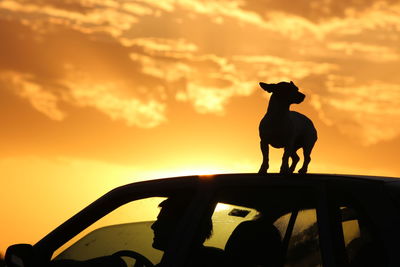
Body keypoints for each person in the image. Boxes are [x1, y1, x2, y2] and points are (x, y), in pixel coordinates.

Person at [151, 195, 224, 267]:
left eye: (163, 222)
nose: (153, 226)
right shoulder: (174, 261)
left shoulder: (208, 261)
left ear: (182, 227)